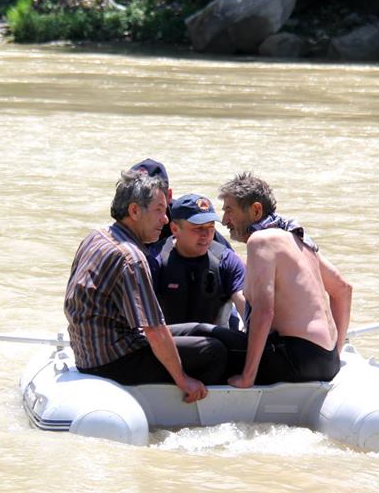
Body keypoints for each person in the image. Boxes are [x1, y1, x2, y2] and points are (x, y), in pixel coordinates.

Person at [64, 169, 225, 402]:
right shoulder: (130, 257)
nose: (166, 219)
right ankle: (195, 410)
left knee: (200, 329)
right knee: (212, 351)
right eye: (159, 210)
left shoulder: (96, 236)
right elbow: (154, 329)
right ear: (134, 211)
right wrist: (182, 378)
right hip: (112, 361)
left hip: (88, 353)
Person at [214, 172, 353, 387]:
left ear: (256, 210)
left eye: (229, 211)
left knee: (206, 341)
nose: (224, 221)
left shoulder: (261, 240)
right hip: (327, 361)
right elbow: (343, 289)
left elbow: (263, 312)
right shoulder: (296, 239)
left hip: (295, 358)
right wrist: (336, 352)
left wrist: (247, 377)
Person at [153, 193, 247, 328]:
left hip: (216, 343)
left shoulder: (227, 260)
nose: (207, 235)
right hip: (169, 341)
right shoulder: (155, 261)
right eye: (198, 228)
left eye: (211, 227)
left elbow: (244, 306)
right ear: (175, 229)